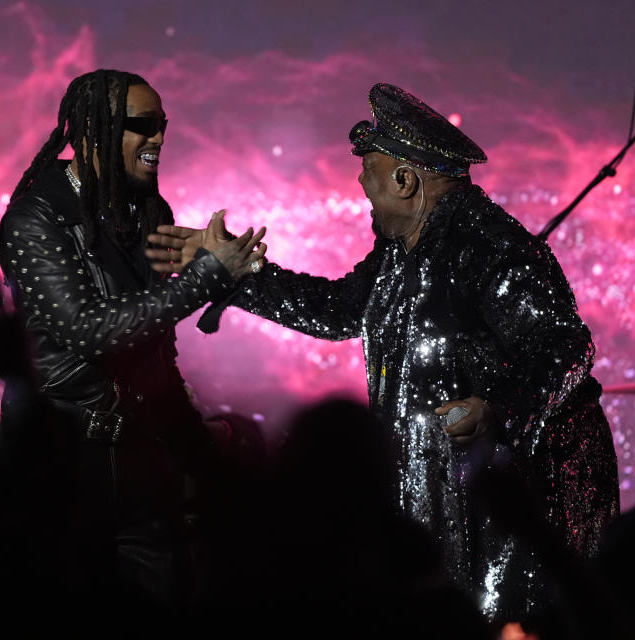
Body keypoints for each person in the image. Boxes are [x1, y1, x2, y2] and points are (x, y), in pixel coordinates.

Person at [146, 83, 620, 622]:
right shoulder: (400, 249)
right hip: (444, 499)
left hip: (511, 508)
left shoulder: (490, 246)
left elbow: (565, 345)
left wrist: (498, 407)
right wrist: (234, 274)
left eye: (366, 171)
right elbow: (337, 310)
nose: (360, 186)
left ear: (404, 179)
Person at [0, 68, 265, 606]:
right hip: (62, 475)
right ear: (94, 133)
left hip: (144, 471)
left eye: (163, 124)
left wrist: (203, 459)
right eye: (143, 125)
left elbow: (154, 348)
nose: (159, 137)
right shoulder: (35, 218)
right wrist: (207, 275)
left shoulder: (149, 212)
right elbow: (89, 328)